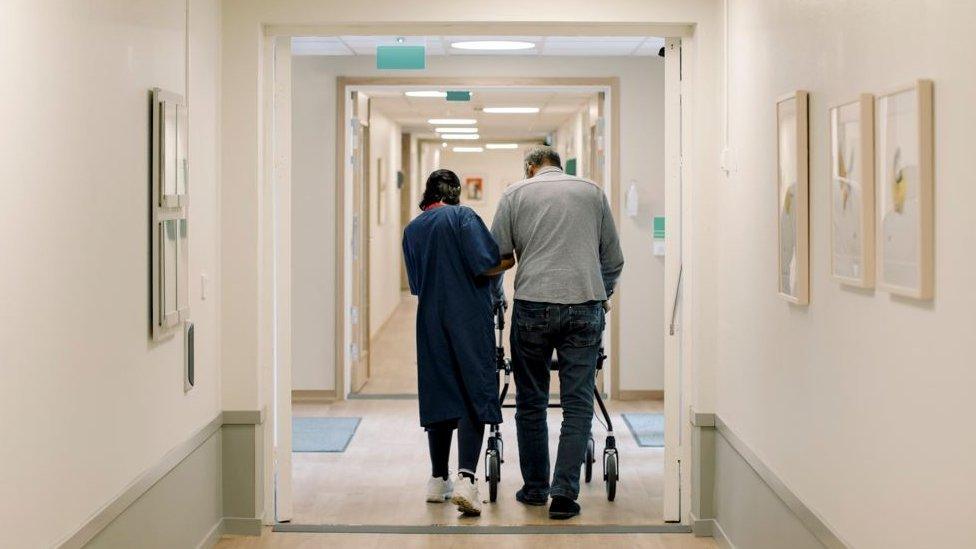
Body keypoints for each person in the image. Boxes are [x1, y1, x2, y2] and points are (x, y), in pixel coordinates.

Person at [490, 146, 624, 520]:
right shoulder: (592, 192)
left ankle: (535, 489)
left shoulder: (515, 194)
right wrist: (601, 295)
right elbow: (612, 260)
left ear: (531, 167)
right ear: (559, 166)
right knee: (578, 402)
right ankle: (564, 494)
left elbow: (498, 255)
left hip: (533, 305)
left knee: (531, 401)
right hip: (584, 305)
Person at [402, 169, 514, 517]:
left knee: (439, 389)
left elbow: (417, 284)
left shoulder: (413, 229)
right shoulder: (463, 216)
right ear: (455, 192)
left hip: (430, 319)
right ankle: (467, 478)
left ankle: (438, 479)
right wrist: (511, 258)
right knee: (472, 391)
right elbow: (486, 264)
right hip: (467, 318)